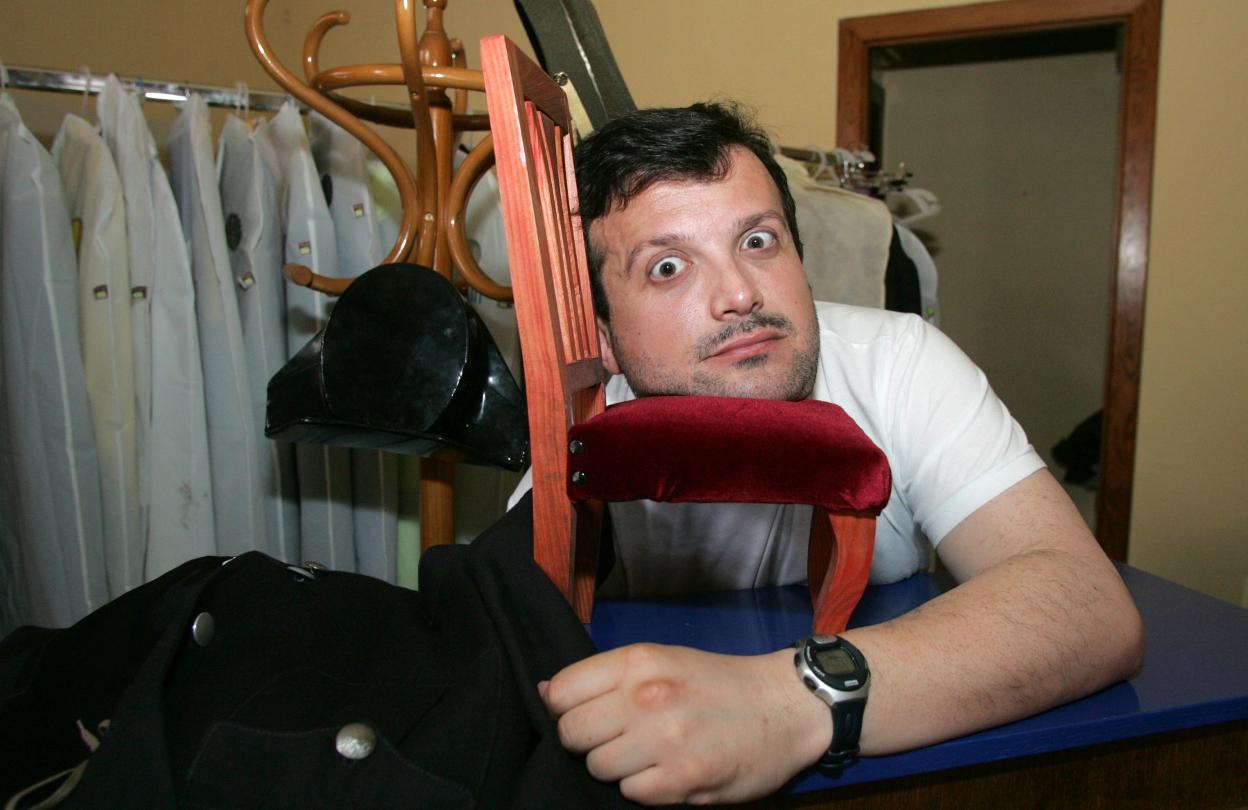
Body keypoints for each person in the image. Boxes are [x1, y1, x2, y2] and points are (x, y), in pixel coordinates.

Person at [519, 102, 1145, 806]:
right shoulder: (582, 442)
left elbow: (1089, 606)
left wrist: (788, 702)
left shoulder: (900, 364)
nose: (740, 294)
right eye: (668, 267)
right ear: (602, 337)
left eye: (758, 241)